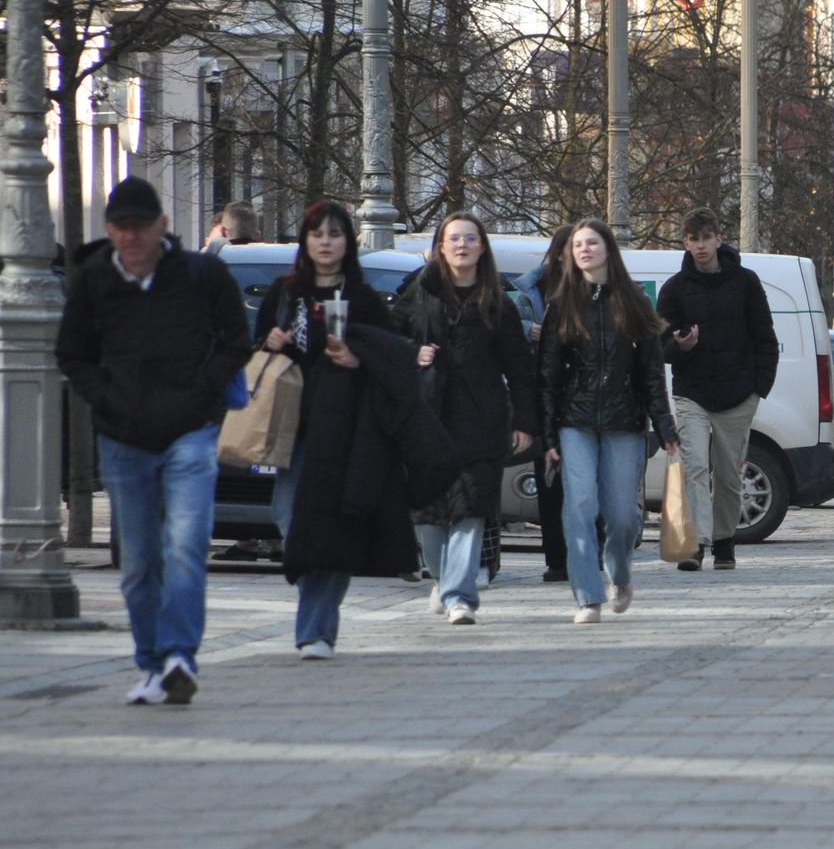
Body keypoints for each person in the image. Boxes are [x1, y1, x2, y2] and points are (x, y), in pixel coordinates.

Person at [56, 176, 251, 705]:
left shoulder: (201, 274)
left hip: (190, 432)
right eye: (121, 227)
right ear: (109, 229)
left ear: (162, 226)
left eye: (141, 226)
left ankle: (181, 657)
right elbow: (72, 353)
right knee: (140, 560)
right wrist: (106, 397)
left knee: (186, 545)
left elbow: (237, 340)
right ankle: (151, 663)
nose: (131, 237)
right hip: (123, 438)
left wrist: (204, 394)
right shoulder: (93, 280)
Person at [260, 201, 447, 659]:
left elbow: (392, 359)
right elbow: (255, 350)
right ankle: (316, 613)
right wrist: (269, 341)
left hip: (345, 429)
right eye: (317, 233)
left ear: (348, 241)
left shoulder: (361, 298)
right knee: (290, 518)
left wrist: (358, 358)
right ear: (305, 240)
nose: (326, 242)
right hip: (292, 423)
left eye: (335, 233)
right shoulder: (285, 293)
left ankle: (316, 631)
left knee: (334, 529)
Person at [394, 212, 537, 625]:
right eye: (453, 238)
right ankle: (442, 579)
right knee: (430, 517)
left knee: (471, 508)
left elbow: (520, 367)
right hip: (428, 420)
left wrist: (524, 422)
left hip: (482, 420)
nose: (461, 245)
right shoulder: (418, 294)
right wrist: (411, 352)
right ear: (440, 246)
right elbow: (385, 338)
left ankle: (460, 595)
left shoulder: (497, 303)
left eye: (470, 239)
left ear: (481, 248)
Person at [539, 220, 679, 624]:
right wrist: (548, 434)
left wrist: (664, 426)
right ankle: (587, 596)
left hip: (624, 419)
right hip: (575, 420)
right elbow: (548, 376)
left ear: (608, 250)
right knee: (580, 504)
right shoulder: (561, 304)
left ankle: (619, 572)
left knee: (621, 515)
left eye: (592, 243)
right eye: (578, 245)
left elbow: (652, 372)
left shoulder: (634, 301)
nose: (584, 250)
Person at [657, 206, 779, 571]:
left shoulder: (746, 282)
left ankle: (724, 542)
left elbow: (765, 337)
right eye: (694, 239)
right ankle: (694, 543)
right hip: (692, 392)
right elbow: (659, 347)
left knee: (728, 474)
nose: (701, 246)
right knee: (693, 465)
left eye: (707, 238)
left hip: (738, 394)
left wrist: (759, 388)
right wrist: (682, 345)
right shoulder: (674, 289)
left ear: (719, 239)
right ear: (685, 243)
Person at [516, 226, 575, 583]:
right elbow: (504, 323)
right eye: (567, 249)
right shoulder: (530, 290)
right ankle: (556, 558)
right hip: (543, 391)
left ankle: (586, 553)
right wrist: (529, 329)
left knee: (582, 481)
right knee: (550, 480)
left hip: (580, 395)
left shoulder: (593, 290)